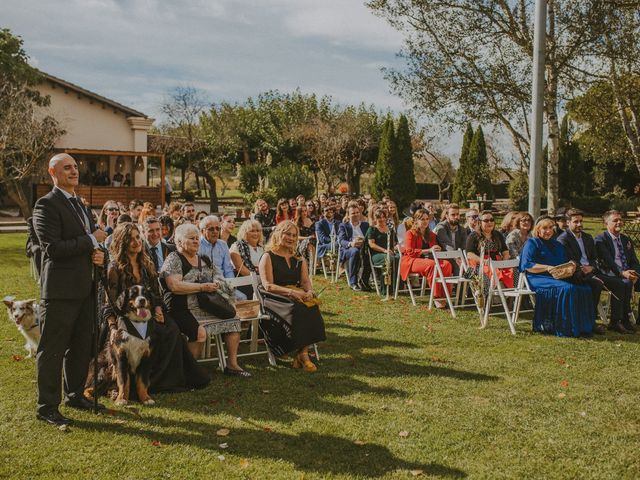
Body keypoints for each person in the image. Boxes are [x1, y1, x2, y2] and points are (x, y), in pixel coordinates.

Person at [32, 153, 108, 426]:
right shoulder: (46, 205)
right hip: (61, 290)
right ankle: (46, 406)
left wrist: (99, 254)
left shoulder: (80, 204)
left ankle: (75, 394)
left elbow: (91, 245)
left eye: (75, 167)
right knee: (52, 350)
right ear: (53, 173)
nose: (74, 171)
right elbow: (52, 249)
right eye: (67, 168)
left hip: (86, 287)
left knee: (80, 346)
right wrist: (90, 240)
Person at [104, 223, 209, 394]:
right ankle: (139, 384)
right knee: (152, 335)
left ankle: (165, 382)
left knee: (172, 330)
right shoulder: (114, 268)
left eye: (138, 237)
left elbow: (155, 292)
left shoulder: (146, 263)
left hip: (148, 313)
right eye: (131, 239)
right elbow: (109, 302)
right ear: (122, 242)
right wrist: (113, 327)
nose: (136, 242)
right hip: (124, 318)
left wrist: (158, 310)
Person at [161, 223, 250, 377]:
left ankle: (232, 365)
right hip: (180, 308)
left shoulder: (204, 259)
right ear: (179, 242)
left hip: (205, 306)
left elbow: (219, 278)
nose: (196, 241)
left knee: (234, 320)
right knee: (200, 333)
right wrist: (202, 287)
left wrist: (219, 284)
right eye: (191, 238)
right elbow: (174, 286)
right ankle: (189, 370)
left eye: (197, 238)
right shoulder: (174, 258)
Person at [258, 221, 325, 372]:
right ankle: (302, 355)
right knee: (297, 308)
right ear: (278, 234)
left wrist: (309, 292)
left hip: (296, 294)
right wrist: (292, 293)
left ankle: (302, 353)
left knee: (311, 306)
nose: (291, 238)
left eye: (294, 235)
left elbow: (305, 281)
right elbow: (268, 285)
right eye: (287, 234)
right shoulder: (268, 256)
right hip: (273, 297)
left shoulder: (298, 258)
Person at [520, 216, 595, 337]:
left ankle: (582, 327)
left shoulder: (557, 245)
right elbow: (528, 265)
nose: (548, 231)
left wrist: (572, 265)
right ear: (538, 229)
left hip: (558, 276)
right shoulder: (532, 243)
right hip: (538, 277)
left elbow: (564, 262)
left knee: (584, 288)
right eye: (545, 228)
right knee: (568, 289)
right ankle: (564, 327)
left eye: (550, 228)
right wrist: (547, 267)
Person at [556, 209, 615, 334]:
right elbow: (567, 260)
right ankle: (590, 323)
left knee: (617, 282)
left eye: (581, 221)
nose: (579, 224)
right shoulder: (563, 239)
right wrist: (583, 269)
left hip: (591, 271)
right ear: (568, 222)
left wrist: (592, 267)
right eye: (575, 222)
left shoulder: (587, 237)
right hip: (575, 273)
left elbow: (594, 258)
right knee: (596, 284)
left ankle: (616, 320)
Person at [595, 210, 640, 333]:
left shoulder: (626, 239)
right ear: (606, 223)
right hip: (608, 273)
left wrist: (636, 273)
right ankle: (619, 321)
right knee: (624, 283)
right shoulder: (600, 240)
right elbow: (608, 262)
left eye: (621, 220)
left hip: (627, 272)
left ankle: (637, 318)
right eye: (615, 220)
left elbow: (634, 261)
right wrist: (623, 273)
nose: (619, 222)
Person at [400, 209, 452, 308]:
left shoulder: (431, 234)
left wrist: (437, 249)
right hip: (411, 260)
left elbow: (434, 248)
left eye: (427, 219)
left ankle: (445, 295)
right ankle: (436, 296)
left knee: (446, 264)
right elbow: (409, 251)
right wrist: (428, 250)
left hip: (427, 260)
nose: (425, 221)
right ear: (415, 220)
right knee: (432, 265)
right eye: (422, 219)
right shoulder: (410, 233)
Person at [199, 215, 246, 300]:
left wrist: (231, 286)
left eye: (218, 228)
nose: (215, 231)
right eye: (211, 229)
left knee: (242, 297)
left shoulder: (223, 244)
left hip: (222, 284)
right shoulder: (197, 244)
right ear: (202, 231)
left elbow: (227, 269)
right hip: (204, 286)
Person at [466, 211, 514, 291]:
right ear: (480, 222)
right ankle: (491, 296)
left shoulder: (497, 234)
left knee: (513, 270)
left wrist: (504, 262)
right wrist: (483, 261)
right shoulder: (474, 235)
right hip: (479, 264)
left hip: (497, 262)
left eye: (492, 220)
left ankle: (511, 298)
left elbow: (505, 251)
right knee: (492, 271)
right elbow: (469, 254)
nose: (490, 222)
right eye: (486, 220)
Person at [338, 204, 371, 291]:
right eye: (353, 213)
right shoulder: (343, 226)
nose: (356, 214)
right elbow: (341, 241)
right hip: (349, 249)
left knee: (368, 253)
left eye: (357, 212)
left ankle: (364, 281)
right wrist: (351, 243)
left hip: (364, 247)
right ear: (348, 215)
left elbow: (370, 238)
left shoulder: (365, 225)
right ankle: (353, 282)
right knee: (355, 251)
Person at [230, 220, 264, 298]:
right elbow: (240, 268)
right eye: (252, 231)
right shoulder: (237, 246)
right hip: (245, 283)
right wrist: (258, 279)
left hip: (261, 281)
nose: (256, 234)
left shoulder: (261, 248)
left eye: (258, 231)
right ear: (245, 233)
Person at [366, 208, 399, 287]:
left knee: (400, 258)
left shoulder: (390, 230)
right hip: (377, 254)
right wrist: (384, 250)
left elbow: (395, 243)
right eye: (379, 217)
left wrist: (395, 248)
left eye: (383, 217)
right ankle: (386, 286)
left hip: (390, 252)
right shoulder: (372, 229)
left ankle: (398, 286)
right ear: (375, 219)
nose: (381, 219)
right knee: (390, 259)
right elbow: (371, 244)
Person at [434, 203, 467, 275]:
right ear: (446, 216)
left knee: (472, 264)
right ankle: (459, 286)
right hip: (444, 256)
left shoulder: (462, 230)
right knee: (458, 265)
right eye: (453, 215)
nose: (456, 217)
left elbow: (464, 247)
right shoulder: (441, 228)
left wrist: (462, 258)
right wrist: (457, 258)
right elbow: (447, 246)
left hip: (458, 257)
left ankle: (472, 286)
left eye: (457, 214)